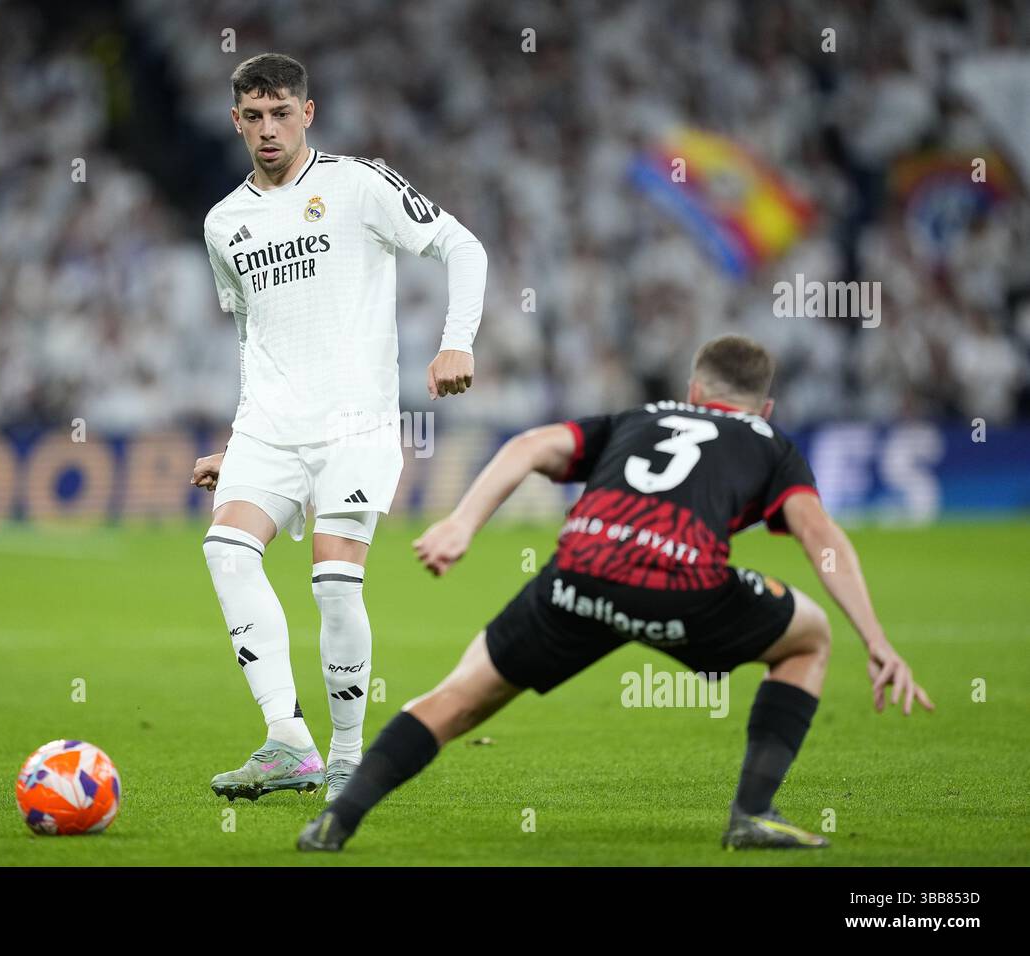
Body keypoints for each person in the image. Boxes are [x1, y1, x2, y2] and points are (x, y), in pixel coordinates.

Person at [298, 334, 933, 850]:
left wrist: (462, 523)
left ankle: (339, 819)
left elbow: (529, 445)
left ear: (693, 391)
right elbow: (818, 535)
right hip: (685, 589)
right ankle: (753, 814)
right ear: (762, 409)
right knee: (810, 637)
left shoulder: (638, 418)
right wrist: (876, 640)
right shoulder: (772, 444)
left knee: (458, 699)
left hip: (580, 575)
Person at [194, 53, 488, 802]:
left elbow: (463, 245)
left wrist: (458, 339)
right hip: (268, 427)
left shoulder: (359, 184)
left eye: (281, 113)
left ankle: (350, 757)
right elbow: (251, 339)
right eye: (253, 116)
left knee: (332, 585)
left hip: (353, 423)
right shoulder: (224, 223)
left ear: (307, 113)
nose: (268, 129)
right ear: (236, 121)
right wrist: (237, 440)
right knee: (227, 554)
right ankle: (288, 740)